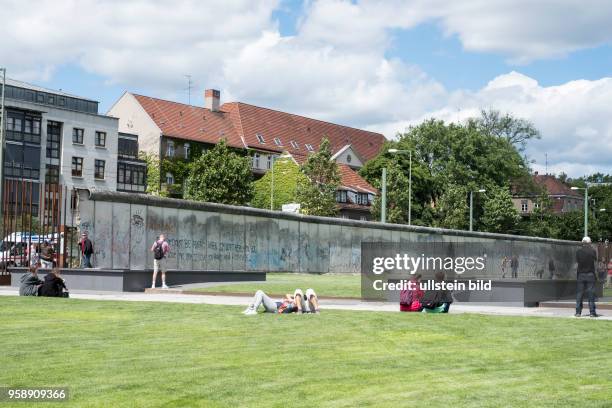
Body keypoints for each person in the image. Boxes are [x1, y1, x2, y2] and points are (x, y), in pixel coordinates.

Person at [575, 237, 599, 317]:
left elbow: (578, 262)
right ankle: (592, 312)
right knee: (591, 294)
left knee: (579, 294)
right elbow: (595, 261)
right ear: (589, 243)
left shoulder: (578, 252)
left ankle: (578, 312)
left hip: (581, 274)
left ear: (582, 242)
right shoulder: (592, 251)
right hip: (590, 274)